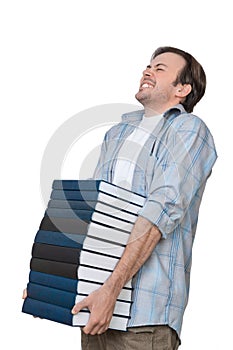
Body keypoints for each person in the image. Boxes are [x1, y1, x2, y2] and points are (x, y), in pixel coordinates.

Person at [23, 46, 217, 350]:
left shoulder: (189, 130)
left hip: (143, 318)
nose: (147, 71)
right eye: (148, 65)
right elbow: (92, 213)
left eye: (160, 68)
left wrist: (111, 291)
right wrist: (48, 284)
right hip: (95, 307)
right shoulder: (117, 133)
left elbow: (161, 211)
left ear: (183, 89)